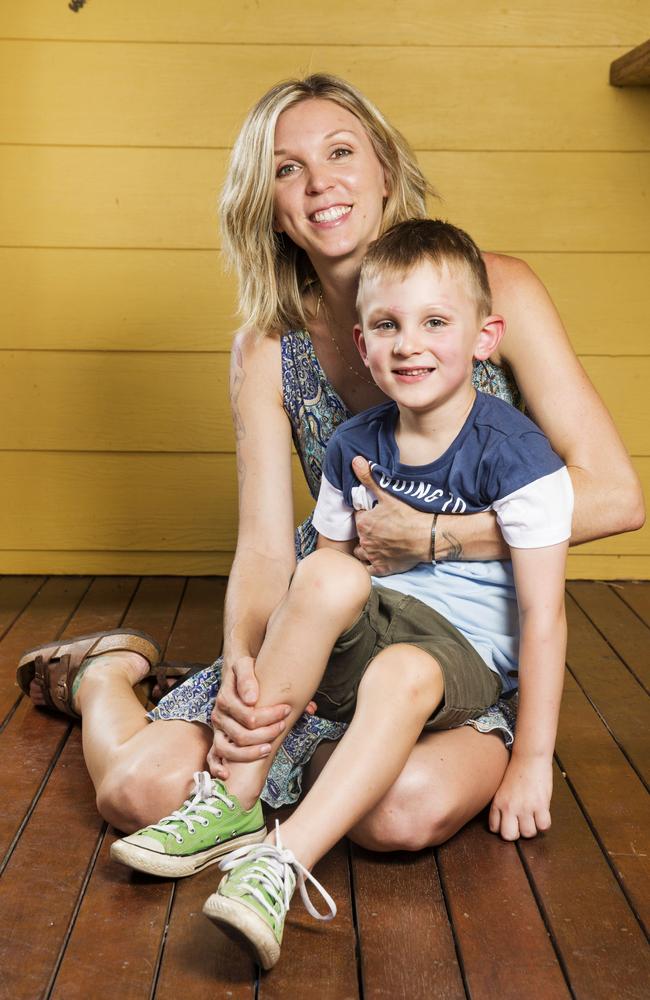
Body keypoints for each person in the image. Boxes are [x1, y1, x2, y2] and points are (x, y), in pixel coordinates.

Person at [16, 75, 643, 854]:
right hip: (325, 630)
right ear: (269, 204)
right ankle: (104, 676)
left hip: (464, 644)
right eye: (287, 168)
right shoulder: (265, 348)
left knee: (400, 814)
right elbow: (267, 547)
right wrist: (247, 667)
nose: (320, 183)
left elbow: (616, 496)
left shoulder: (493, 289)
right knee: (137, 790)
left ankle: (306, 796)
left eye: (341, 152)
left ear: (385, 170)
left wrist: (437, 539)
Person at [111, 217, 573, 969]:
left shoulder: (518, 455)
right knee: (324, 573)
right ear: (364, 345)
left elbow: (544, 617)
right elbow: (323, 586)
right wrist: (277, 671)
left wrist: (533, 761)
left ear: (484, 338)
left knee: (402, 672)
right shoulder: (354, 443)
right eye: (387, 325)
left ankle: (280, 862)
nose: (409, 344)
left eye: (434, 323)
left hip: (462, 655)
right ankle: (232, 801)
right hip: (376, 624)